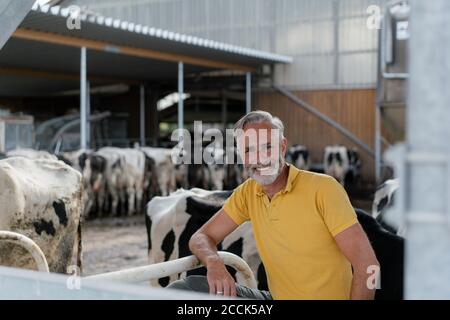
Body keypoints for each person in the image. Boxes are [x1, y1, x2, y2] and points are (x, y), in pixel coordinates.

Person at [168, 110, 379, 300]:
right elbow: (201, 238)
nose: (259, 158)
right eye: (249, 150)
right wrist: (214, 263)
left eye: (267, 146)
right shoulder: (248, 193)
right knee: (187, 289)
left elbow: (369, 266)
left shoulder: (324, 189)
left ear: (283, 146)